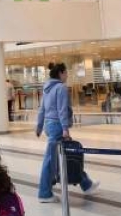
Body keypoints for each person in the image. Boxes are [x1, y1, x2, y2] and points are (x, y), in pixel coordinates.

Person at [35, 63, 98, 203]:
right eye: (66, 73)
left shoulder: (46, 88)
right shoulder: (61, 88)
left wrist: (39, 126)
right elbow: (62, 109)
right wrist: (65, 128)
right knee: (51, 160)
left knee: (70, 155)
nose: (67, 75)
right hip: (58, 126)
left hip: (49, 125)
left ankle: (86, 184)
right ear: (61, 73)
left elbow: (42, 109)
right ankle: (44, 193)